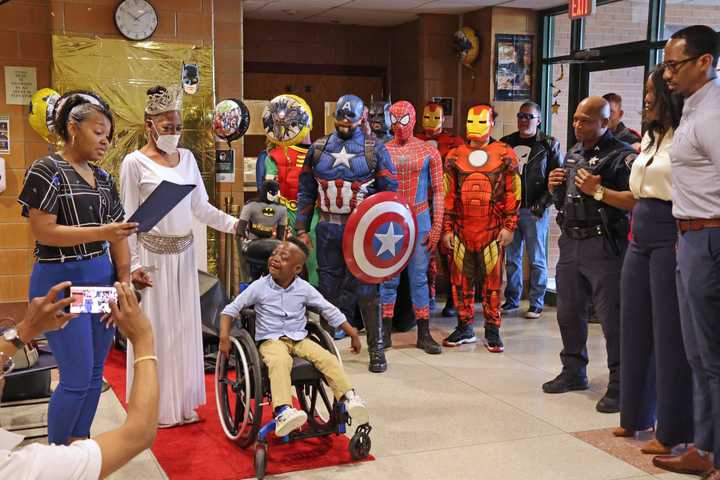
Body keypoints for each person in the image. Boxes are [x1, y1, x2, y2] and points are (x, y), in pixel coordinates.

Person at [17, 91, 136, 446]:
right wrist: (103, 232)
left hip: (101, 280)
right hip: (61, 282)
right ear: (73, 127)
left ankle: (79, 444)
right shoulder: (47, 169)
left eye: (109, 134)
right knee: (75, 376)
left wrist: (125, 280)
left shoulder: (103, 178)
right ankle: (57, 456)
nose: (105, 140)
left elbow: (119, 236)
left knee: (95, 372)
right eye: (99, 131)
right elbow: (43, 230)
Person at [120, 85, 239, 428]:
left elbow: (201, 207)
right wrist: (135, 266)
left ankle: (184, 401)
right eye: (166, 126)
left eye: (177, 127)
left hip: (184, 256)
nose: (172, 133)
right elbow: (128, 219)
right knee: (156, 330)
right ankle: (155, 407)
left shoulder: (186, 158)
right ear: (149, 126)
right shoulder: (134, 163)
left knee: (185, 329)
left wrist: (236, 225)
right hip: (153, 259)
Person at [607, 65, 694, 456]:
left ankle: (673, 428)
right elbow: (637, 190)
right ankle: (635, 415)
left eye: (651, 93)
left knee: (668, 335)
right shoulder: (649, 138)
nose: (645, 100)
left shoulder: (686, 136)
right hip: (638, 234)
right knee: (634, 325)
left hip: (668, 232)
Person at [0, 282, 159, 480]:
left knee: (91, 374)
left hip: (95, 271)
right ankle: (65, 445)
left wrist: (26, 329)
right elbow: (139, 434)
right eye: (3, 369)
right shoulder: (28, 469)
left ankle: (79, 438)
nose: (3, 368)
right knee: (75, 381)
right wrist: (143, 338)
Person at [652, 25, 720, 478]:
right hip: (690, 236)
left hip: (710, 237)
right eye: (666, 64)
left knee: (712, 356)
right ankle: (705, 447)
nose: (667, 74)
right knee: (697, 353)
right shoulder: (694, 109)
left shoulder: (714, 112)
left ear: (705, 61)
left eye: (674, 64)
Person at [542, 96, 636, 414]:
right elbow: (565, 202)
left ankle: (621, 386)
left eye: (585, 120)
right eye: (575, 119)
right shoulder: (573, 154)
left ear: (604, 122)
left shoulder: (621, 156)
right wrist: (556, 187)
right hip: (571, 242)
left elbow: (635, 200)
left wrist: (598, 190)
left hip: (604, 246)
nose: (577, 124)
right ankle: (573, 372)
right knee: (568, 313)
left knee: (613, 320)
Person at [218, 239, 369, 437]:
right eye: (275, 254)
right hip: (271, 340)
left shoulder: (303, 288)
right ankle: (283, 411)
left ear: (296, 268)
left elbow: (328, 309)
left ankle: (349, 397)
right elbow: (230, 310)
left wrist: (352, 333)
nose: (275, 258)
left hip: (299, 338)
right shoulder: (259, 286)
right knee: (280, 361)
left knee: (327, 358)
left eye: (284, 257)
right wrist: (223, 337)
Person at [295, 94, 398, 373]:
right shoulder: (318, 148)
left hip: (362, 231)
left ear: (361, 118)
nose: (344, 124)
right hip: (328, 228)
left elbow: (390, 195)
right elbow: (306, 191)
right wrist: (301, 229)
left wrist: (382, 234)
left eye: (349, 119)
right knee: (327, 290)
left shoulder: (375, 149)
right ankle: (326, 349)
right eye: (340, 118)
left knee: (367, 289)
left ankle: (376, 348)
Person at [441, 104, 520, 353]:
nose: (475, 128)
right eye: (471, 122)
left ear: (491, 124)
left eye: (481, 122)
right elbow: (448, 195)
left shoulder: (505, 154)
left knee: (493, 282)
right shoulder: (454, 155)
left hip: (493, 231)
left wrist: (510, 226)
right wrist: (447, 228)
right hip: (463, 230)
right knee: (460, 281)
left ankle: (492, 329)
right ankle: (464, 326)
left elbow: (513, 192)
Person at [379, 101, 443, 354]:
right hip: (391, 219)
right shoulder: (383, 150)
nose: (399, 126)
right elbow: (375, 188)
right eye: (394, 120)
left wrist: (437, 226)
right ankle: (384, 334)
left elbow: (439, 190)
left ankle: (424, 334)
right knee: (388, 278)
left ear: (413, 119)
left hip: (420, 217)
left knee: (419, 278)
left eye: (404, 120)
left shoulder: (428, 151)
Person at [500, 101, 563, 319]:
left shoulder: (548, 144)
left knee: (537, 258)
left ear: (539, 120)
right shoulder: (505, 143)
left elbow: (558, 180)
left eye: (529, 116)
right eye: (520, 116)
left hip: (535, 210)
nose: (524, 120)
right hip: (510, 210)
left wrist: (543, 204)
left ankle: (536, 302)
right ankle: (512, 300)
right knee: (512, 259)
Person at [416, 101, 465, 318]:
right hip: (419, 205)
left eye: (436, 117)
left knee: (450, 254)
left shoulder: (454, 143)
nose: (432, 122)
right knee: (421, 253)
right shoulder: (413, 141)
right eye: (427, 117)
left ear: (444, 119)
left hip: (446, 204)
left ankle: (455, 299)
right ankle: (424, 298)